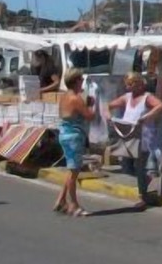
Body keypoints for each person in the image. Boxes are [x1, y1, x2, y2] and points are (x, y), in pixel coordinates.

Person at [107, 72, 162, 209]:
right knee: (131, 166)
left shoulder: (147, 98)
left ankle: (143, 196)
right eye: (127, 84)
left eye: (131, 83)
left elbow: (161, 106)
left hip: (143, 137)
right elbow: (108, 105)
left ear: (139, 83)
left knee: (141, 166)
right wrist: (108, 116)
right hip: (129, 136)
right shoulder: (127, 98)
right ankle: (145, 192)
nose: (128, 87)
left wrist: (147, 117)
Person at [53, 68, 95, 217]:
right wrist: (91, 104)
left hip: (65, 133)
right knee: (74, 172)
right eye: (81, 80)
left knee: (71, 170)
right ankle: (73, 204)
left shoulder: (65, 96)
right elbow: (89, 116)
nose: (82, 82)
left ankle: (61, 199)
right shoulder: (75, 99)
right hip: (74, 136)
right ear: (76, 81)